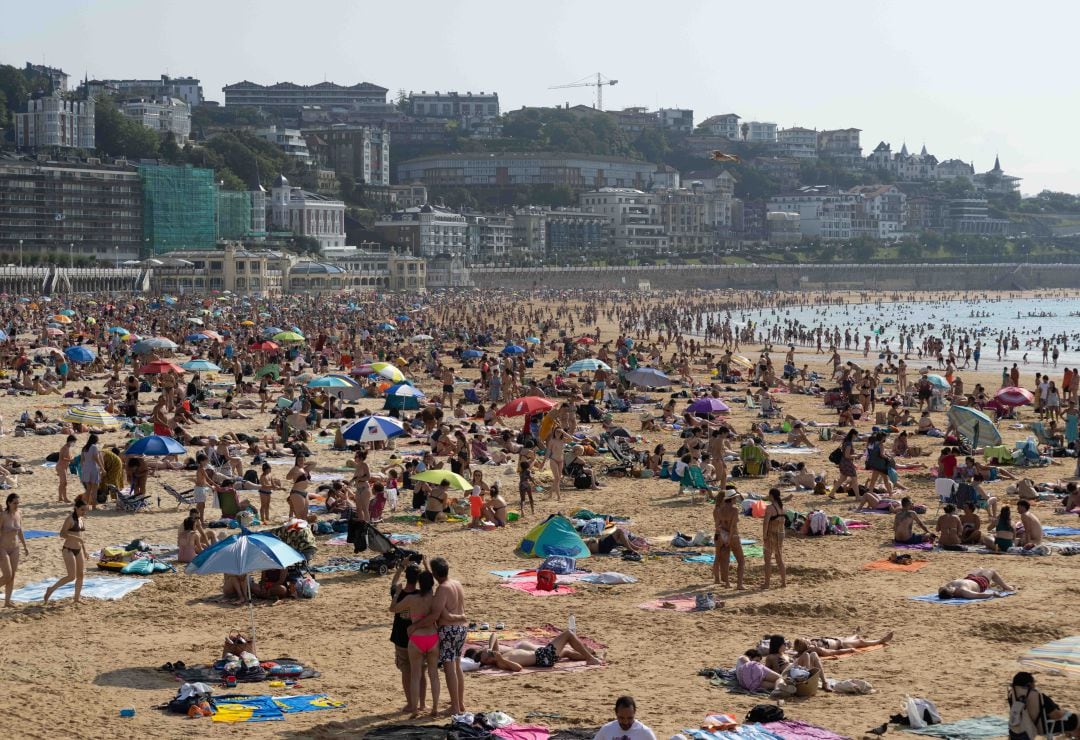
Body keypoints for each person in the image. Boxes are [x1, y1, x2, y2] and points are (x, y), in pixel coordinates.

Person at [409, 557, 468, 717]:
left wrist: (415, 625)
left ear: (435, 574)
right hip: (462, 629)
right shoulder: (456, 583)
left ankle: (454, 706)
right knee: (457, 666)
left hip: (449, 631)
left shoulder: (443, 589)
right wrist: (428, 567)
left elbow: (434, 615)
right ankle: (460, 703)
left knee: (449, 669)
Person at [390, 569, 440, 718]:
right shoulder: (434, 598)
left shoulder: (411, 599)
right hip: (432, 637)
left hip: (416, 639)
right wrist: (426, 566)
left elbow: (393, 609)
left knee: (415, 676)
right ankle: (434, 707)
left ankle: (414, 708)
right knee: (433, 675)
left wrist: (397, 593)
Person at [465, 627, 604, 672]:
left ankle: (589, 655)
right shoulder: (501, 661)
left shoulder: (497, 654)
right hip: (543, 657)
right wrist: (501, 660)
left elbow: (494, 635)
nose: (490, 655)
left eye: (487, 653)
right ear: (488, 662)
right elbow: (518, 668)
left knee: (565, 651)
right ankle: (590, 658)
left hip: (543, 656)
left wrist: (489, 648)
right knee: (568, 634)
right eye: (487, 657)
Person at [1007, 671, 1080, 740]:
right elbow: (1056, 715)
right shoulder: (1038, 696)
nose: (1034, 685)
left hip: (1026, 726)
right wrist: (1066, 713)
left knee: (1071, 724)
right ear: (1029, 684)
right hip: (1045, 727)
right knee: (1077, 719)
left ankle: (1072, 733)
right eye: (1034, 682)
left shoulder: (1013, 696)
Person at [43, 497, 89, 606]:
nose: (84, 512)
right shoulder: (70, 519)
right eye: (82, 510)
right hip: (68, 549)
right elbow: (62, 534)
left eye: (85, 510)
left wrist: (85, 551)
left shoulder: (81, 520)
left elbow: (81, 537)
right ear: (76, 508)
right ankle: (51, 589)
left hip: (79, 550)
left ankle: (76, 598)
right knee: (71, 576)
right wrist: (75, 538)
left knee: (81, 575)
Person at [0, 493, 29, 607]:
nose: (17, 505)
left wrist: (25, 546)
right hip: (3, 548)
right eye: (15, 503)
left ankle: (7, 601)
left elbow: (20, 530)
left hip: (15, 548)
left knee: (12, 576)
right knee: (7, 575)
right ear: (9, 503)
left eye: (18, 503)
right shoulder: (3, 515)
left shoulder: (19, 513)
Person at [713, 489, 745, 589]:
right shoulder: (734, 510)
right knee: (741, 561)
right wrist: (729, 538)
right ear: (732, 499)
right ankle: (739, 584)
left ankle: (727, 583)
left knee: (725, 561)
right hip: (733, 536)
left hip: (722, 536)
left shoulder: (719, 510)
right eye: (735, 498)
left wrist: (724, 537)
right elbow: (732, 526)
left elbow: (717, 525)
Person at [762, 487, 786, 589]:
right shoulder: (781, 507)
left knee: (767, 560)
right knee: (779, 558)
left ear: (772, 496)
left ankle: (767, 583)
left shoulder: (770, 508)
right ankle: (783, 582)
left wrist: (764, 535)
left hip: (772, 534)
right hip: (780, 534)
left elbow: (766, 523)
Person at [938, 568, 1015, 599]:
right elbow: (977, 595)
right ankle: (1007, 587)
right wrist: (992, 594)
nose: (950, 586)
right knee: (991, 571)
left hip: (968, 579)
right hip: (980, 583)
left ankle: (992, 585)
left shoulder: (947, 587)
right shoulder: (963, 591)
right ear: (952, 593)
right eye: (950, 588)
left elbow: (941, 589)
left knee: (980, 569)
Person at [79, 434, 104, 510]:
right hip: (93, 468)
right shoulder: (94, 447)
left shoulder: (84, 448)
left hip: (86, 469)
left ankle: (86, 506)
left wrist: (84, 468)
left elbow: (82, 460)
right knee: (95, 489)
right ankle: (94, 506)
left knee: (88, 489)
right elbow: (96, 458)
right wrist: (102, 468)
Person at [56, 435, 75, 503]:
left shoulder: (68, 447)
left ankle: (60, 497)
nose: (74, 443)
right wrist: (70, 460)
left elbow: (67, 457)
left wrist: (71, 459)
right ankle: (65, 498)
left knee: (62, 483)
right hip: (61, 467)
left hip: (64, 467)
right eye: (74, 442)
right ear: (70, 441)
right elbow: (62, 458)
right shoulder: (64, 448)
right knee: (64, 483)